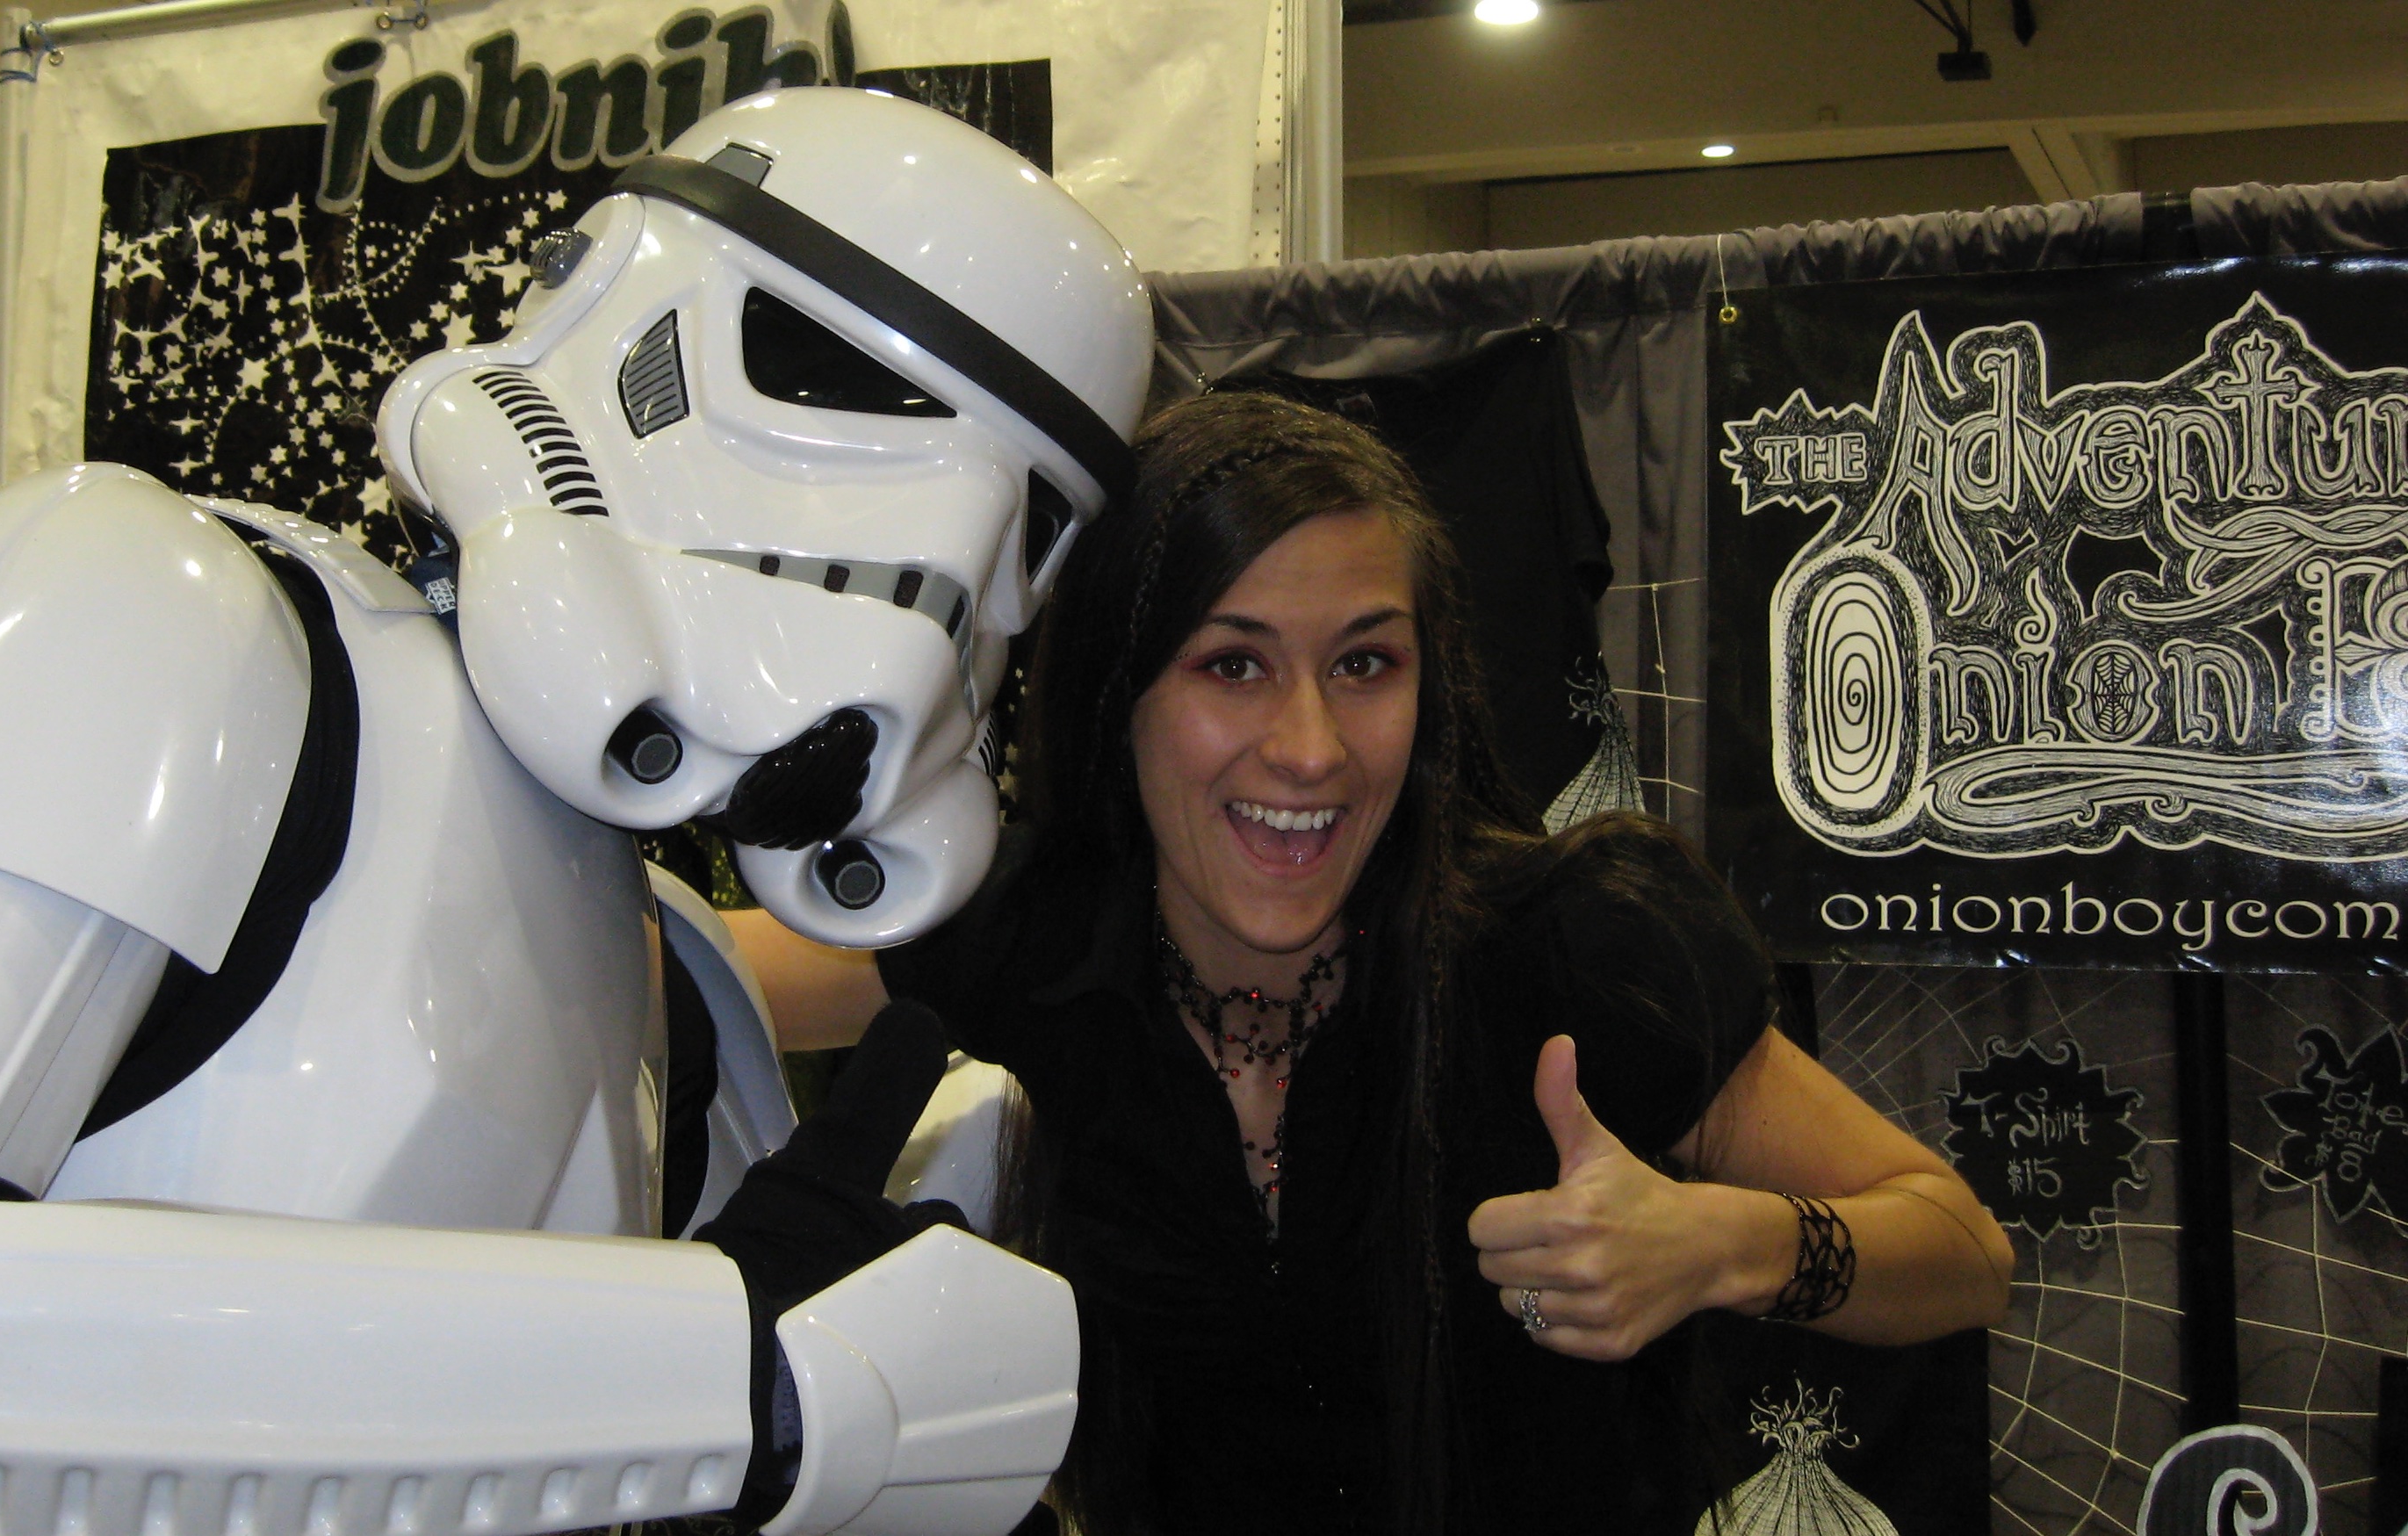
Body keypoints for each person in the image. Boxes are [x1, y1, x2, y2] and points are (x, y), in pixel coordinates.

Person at [729, 389, 2015, 1534]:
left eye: (1364, 664)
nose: (1311, 748)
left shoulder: (1578, 943)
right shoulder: (1037, 933)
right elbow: (671, 972)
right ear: (1120, 692)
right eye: (1234, 664)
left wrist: (1720, 1244)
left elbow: (1961, 1249)